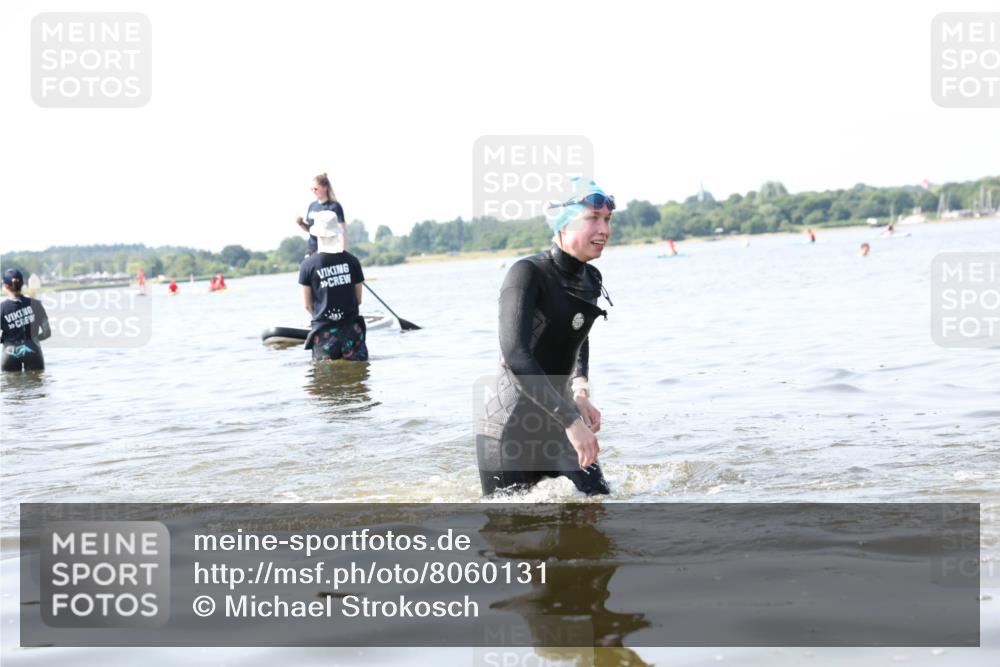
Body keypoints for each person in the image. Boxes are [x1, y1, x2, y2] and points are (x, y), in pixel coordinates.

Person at [476, 177, 615, 497]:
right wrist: (572, 422)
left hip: (560, 420)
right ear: (563, 225)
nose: (604, 230)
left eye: (607, 220)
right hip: (510, 429)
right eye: (592, 219)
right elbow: (516, 354)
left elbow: (578, 332)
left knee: (599, 505)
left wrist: (580, 391)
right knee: (514, 537)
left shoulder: (590, 278)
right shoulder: (527, 274)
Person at [298, 217, 368, 362]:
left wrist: (324, 317)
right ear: (336, 233)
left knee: (325, 382)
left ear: (317, 234)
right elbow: (359, 299)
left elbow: (307, 305)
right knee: (359, 380)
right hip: (352, 330)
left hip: (324, 334)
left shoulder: (307, 265)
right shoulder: (352, 260)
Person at [2, 269, 50, 372]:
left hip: (9, 352)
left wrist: (3, 340)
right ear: (23, 284)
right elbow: (47, 333)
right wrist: (33, 340)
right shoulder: (36, 304)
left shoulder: (1, 308)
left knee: (12, 386)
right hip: (33, 349)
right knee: (35, 385)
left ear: (5, 286)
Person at [296, 173, 347, 257]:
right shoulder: (312, 206)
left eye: (315, 189)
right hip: (313, 249)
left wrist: (343, 253)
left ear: (325, 188)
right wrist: (301, 223)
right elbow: (310, 229)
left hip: (330, 250)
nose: (313, 191)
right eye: (311, 189)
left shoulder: (334, 206)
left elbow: (342, 232)